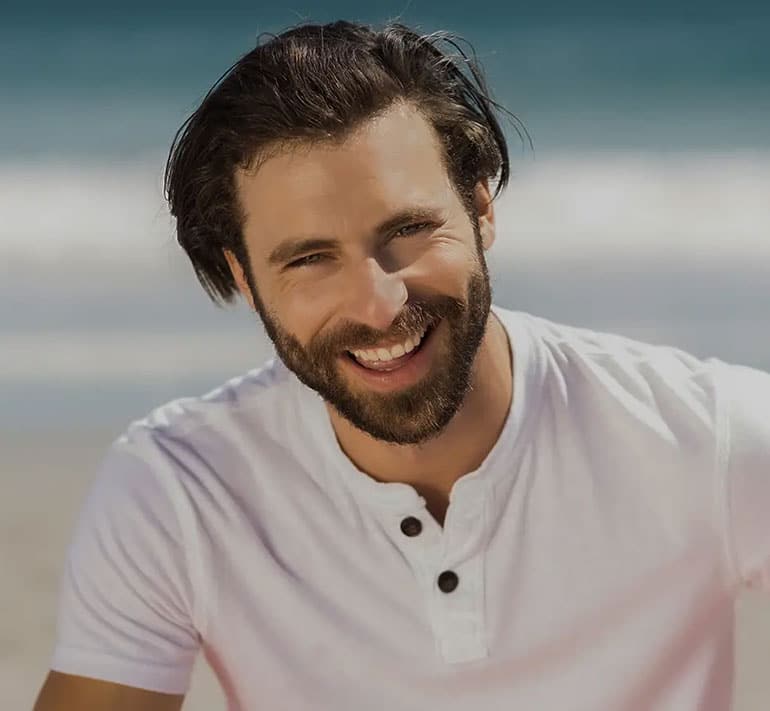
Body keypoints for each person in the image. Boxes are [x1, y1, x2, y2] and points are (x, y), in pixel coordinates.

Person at [33, 20, 769, 711]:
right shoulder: (178, 493)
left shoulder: (706, 438)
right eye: (311, 259)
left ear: (481, 208)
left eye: (409, 229)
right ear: (245, 277)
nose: (380, 304)